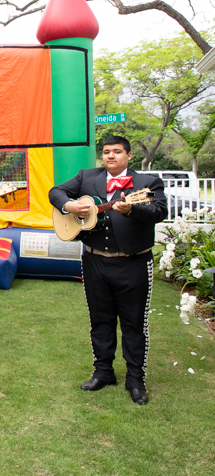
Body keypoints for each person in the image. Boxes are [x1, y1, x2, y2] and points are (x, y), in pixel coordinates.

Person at [49, 135, 167, 405]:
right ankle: (103, 372)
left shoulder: (147, 183)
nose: (110, 156)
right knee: (100, 320)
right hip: (95, 261)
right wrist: (70, 205)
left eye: (116, 152)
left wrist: (131, 211)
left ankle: (135, 380)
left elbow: (160, 210)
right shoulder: (87, 176)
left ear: (128, 156)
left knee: (134, 324)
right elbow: (55, 191)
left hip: (134, 263)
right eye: (106, 152)